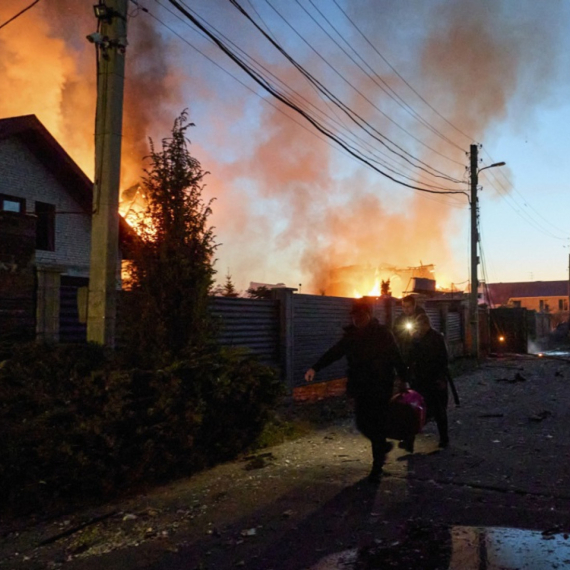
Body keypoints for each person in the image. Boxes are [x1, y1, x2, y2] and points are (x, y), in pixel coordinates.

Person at [304, 299, 407, 483]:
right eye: (354, 316)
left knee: (377, 423)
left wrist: (404, 380)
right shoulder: (351, 337)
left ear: (368, 315)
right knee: (362, 422)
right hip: (360, 387)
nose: (357, 319)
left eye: (360, 316)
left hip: (380, 386)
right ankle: (382, 446)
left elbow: (396, 356)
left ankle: (377, 466)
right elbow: (335, 352)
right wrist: (315, 368)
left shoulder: (383, 334)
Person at [408, 313, 450, 448]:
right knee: (416, 410)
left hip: (434, 379)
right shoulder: (416, 339)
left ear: (426, 324)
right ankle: (409, 441)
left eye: (421, 326)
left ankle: (444, 439)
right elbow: (410, 357)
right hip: (420, 380)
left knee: (439, 411)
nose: (419, 329)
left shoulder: (437, 338)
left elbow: (443, 359)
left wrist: (441, 379)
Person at [392, 294, 427, 365]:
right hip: (404, 355)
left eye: (408, 307)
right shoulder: (399, 320)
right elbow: (395, 336)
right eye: (404, 306)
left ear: (414, 306)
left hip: (420, 356)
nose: (406, 309)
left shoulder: (422, 319)